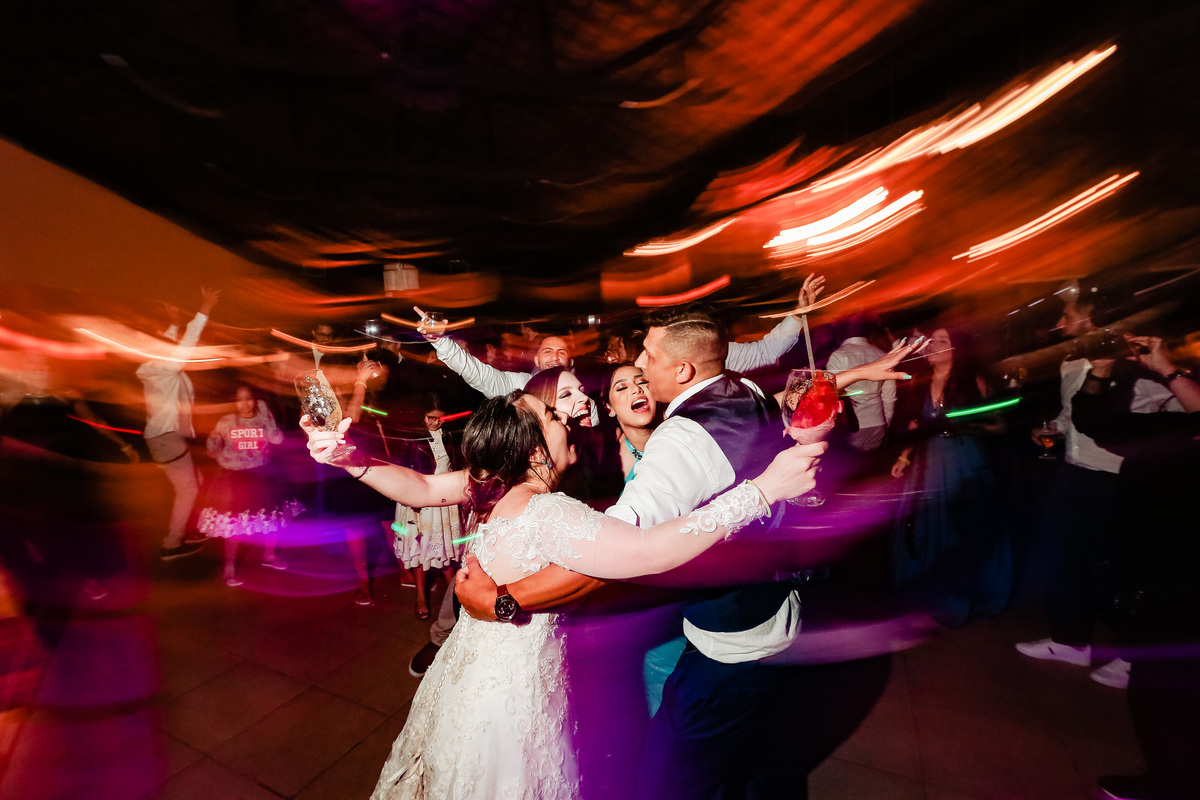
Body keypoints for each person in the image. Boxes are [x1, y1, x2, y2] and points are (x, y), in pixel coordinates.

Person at [454, 305, 920, 799]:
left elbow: (617, 552)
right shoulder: (743, 389)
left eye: (648, 356)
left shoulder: (681, 439)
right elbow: (785, 397)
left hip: (729, 642)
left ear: (681, 370)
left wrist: (506, 600)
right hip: (774, 612)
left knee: (669, 780)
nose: (639, 363)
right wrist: (855, 377)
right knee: (750, 758)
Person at [302, 391, 822, 800]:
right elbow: (646, 552)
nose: (565, 419)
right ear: (532, 451)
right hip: (510, 689)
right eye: (552, 416)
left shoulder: (498, 487)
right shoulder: (548, 512)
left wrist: (351, 458)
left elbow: (420, 488)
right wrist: (761, 492)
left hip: (477, 669)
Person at [1070, 337, 1200, 800]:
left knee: (1170, 692)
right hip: (1156, 578)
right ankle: (1166, 778)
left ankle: (1172, 782)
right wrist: (1101, 371)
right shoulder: (1176, 429)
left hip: (1184, 586)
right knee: (1157, 689)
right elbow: (1098, 423)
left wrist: (1167, 370)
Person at [889, 327, 1012, 626]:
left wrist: (962, 426)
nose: (934, 345)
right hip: (927, 464)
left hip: (964, 461)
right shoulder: (920, 380)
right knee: (923, 528)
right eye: (932, 341)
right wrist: (904, 456)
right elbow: (915, 424)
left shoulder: (973, 381)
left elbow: (999, 426)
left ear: (957, 349)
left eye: (943, 341)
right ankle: (924, 599)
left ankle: (958, 601)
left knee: (963, 529)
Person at [136, 287, 218, 560]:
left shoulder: (155, 364)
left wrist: (173, 322)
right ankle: (172, 543)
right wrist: (205, 308)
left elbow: (170, 346)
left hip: (164, 437)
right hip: (167, 437)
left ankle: (187, 529)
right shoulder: (164, 366)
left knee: (195, 481)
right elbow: (187, 344)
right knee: (188, 490)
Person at [198, 384, 301, 587]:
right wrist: (212, 441)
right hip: (233, 478)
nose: (244, 403)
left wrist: (266, 414)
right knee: (234, 525)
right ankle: (229, 567)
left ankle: (269, 556)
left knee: (272, 519)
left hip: (262, 474)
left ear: (256, 400)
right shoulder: (227, 421)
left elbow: (278, 439)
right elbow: (213, 453)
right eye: (239, 399)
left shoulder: (262, 419)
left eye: (249, 398)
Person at [392, 396, 464, 620]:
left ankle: (458, 599)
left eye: (440, 418)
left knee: (445, 554)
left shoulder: (450, 434)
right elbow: (402, 471)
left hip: (445, 501)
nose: (436, 422)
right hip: (420, 501)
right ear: (421, 416)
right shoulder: (412, 437)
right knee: (421, 551)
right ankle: (421, 597)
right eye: (431, 418)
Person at [827, 314, 896, 451]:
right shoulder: (882, 355)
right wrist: (886, 422)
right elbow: (889, 396)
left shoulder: (838, 356)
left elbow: (832, 396)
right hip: (878, 422)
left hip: (852, 427)